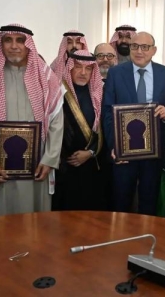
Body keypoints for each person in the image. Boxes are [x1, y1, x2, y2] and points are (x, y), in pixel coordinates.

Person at [0, 24, 64, 218]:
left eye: (20, 40)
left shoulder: (47, 79)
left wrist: (50, 159)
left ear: (29, 44)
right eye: (7, 40)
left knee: (35, 223)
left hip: (37, 166)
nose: (14, 46)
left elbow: (56, 122)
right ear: (0, 44)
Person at [102, 31, 165, 215]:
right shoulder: (116, 73)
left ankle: (146, 239)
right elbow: (107, 112)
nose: (139, 51)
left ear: (153, 50)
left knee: (149, 202)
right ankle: (119, 240)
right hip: (124, 152)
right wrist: (114, 146)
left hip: (153, 151)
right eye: (134, 46)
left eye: (145, 47)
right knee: (121, 202)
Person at [52, 50, 110, 211]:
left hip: (93, 165)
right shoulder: (57, 93)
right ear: (69, 68)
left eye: (89, 68)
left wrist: (91, 152)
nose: (83, 73)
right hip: (64, 166)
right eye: (78, 67)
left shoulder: (100, 94)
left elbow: (106, 128)